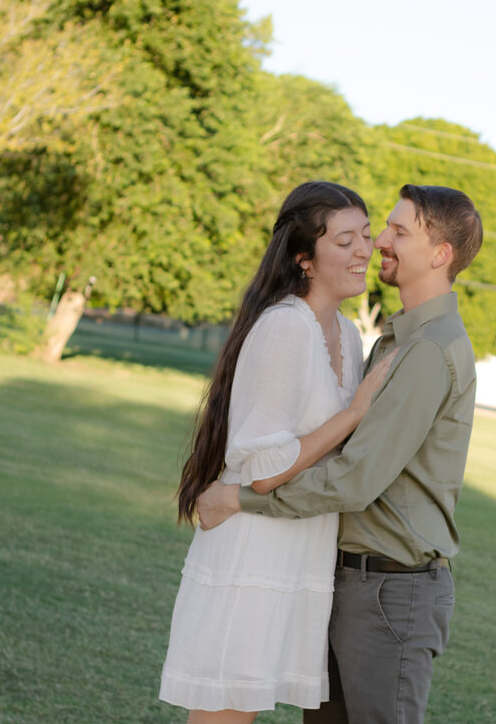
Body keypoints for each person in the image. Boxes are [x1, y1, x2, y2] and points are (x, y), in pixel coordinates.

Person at [196, 184, 483, 724]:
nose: (380, 245)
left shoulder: (425, 349)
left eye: (397, 232)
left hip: (391, 590)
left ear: (440, 255)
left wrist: (240, 498)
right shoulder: (390, 341)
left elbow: (352, 480)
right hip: (349, 582)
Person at [159, 181, 395, 723]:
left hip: (298, 554)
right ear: (304, 258)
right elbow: (264, 469)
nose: (364, 249)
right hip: (253, 557)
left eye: (366, 233)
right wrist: (355, 413)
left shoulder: (347, 335)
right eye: (344, 240)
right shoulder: (286, 326)